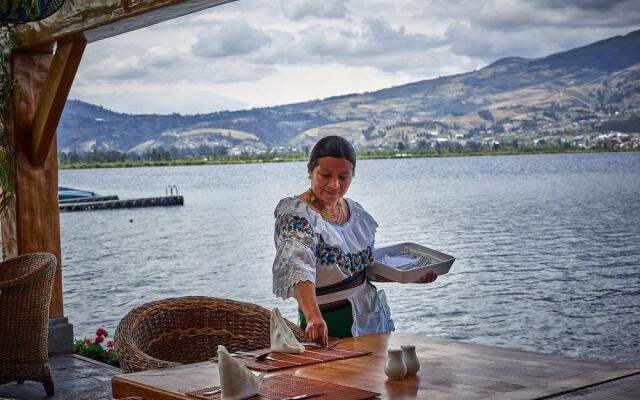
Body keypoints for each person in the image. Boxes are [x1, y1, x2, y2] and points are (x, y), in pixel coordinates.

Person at [272, 135, 437, 346]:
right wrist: (313, 317)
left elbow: (365, 270)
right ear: (309, 171)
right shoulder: (295, 214)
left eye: (344, 177)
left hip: (370, 315)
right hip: (326, 322)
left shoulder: (355, 212)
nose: (334, 184)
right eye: (325, 175)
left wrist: (410, 276)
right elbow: (297, 265)